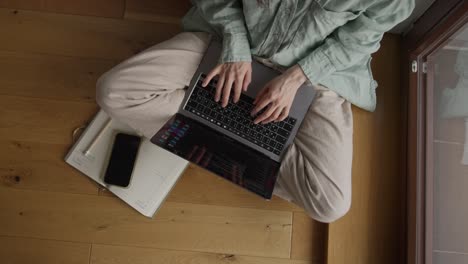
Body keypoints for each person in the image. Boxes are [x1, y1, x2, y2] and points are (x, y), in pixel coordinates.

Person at [96, 0, 415, 223]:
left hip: (318, 75)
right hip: (230, 41)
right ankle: (224, 135)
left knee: (330, 204)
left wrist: (297, 77)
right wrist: (235, 47)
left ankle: (238, 143)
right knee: (112, 92)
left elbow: (357, 43)